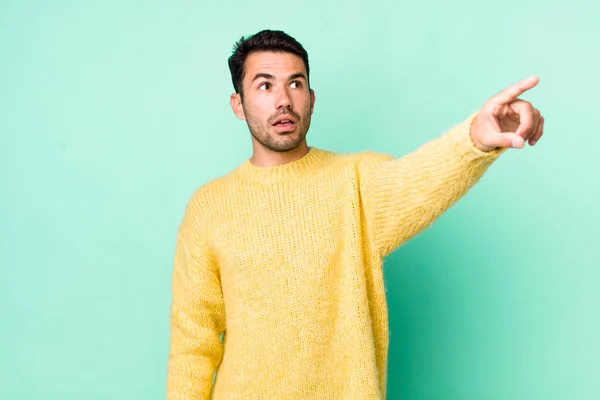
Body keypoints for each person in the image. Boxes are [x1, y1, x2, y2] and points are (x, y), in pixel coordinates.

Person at [165, 29, 544, 399]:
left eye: (295, 84)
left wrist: (475, 137)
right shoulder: (210, 206)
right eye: (265, 86)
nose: (283, 99)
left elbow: (423, 177)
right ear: (239, 104)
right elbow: (192, 344)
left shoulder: (356, 182)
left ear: (311, 99)